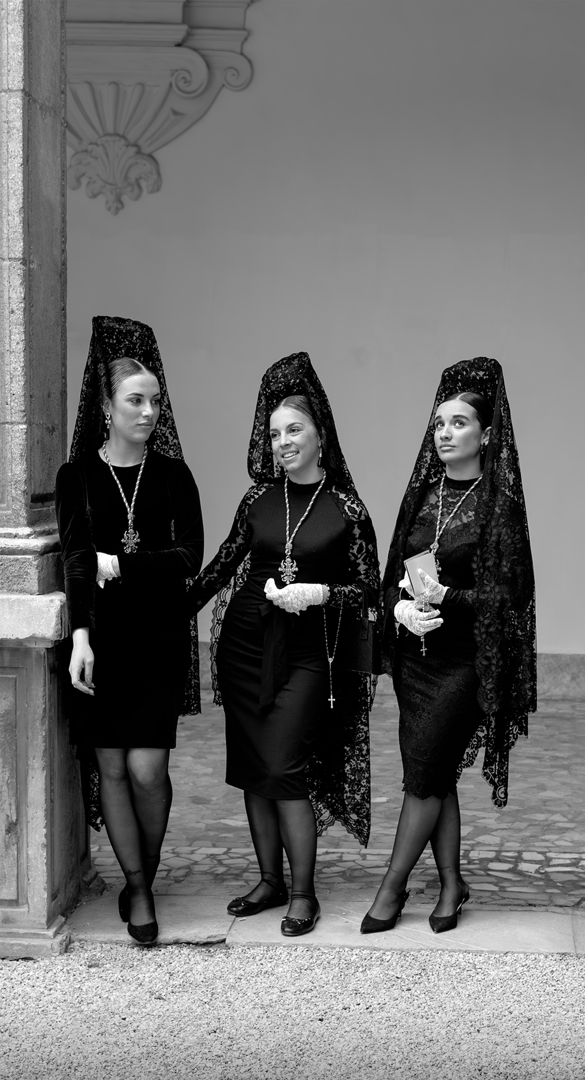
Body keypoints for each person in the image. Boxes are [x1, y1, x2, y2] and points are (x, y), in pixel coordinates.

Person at [188, 352, 380, 937]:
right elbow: (221, 566)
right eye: (274, 434)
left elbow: (369, 587)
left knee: (284, 766)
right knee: (253, 769)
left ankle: (303, 893)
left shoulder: (347, 508)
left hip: (308, 656)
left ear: (320, 435)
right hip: (245, 646)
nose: (283, 443)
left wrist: (321, 593)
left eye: (294, 430)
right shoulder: (258, 500)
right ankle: (270, 881)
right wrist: (165, 609)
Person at [362, 357, 535, 935]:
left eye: (458, 423)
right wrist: (401, 609)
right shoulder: (423, 496)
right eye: (439, 423)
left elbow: (512, 594)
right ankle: (452, 884)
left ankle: (391, 889)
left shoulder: (498, 504)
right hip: (417, 659)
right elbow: (394, 573)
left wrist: (448, 597)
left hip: (465, 663)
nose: (444, 432)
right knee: (433, 774)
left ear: (485, 435)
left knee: (424, 776)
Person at [56, 316, 204, 945]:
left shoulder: (173, 475)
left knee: (147, 770)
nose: (148, 412)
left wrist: (120, 564)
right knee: (110, 769)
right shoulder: (76, 477)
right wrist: (80, 639)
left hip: (158, 640)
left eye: (155, 402)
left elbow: (188, 558)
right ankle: (138, 886)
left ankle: (145, 870)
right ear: (107, 408)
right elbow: (74, 561)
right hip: (102, 640)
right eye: (135, 401)